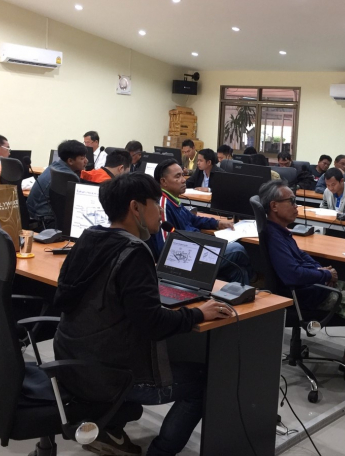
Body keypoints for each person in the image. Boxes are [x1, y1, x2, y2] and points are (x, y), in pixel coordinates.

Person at [53, 172, 229, 456]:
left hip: (71, 362)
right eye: (155, 203)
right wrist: (198, 313)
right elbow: (153, 324)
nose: (160, 211)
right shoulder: (134, 251)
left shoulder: (89, 237)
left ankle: (110, 427)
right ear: (135, 208)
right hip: (108, 376)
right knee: (202, 381)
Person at [260, 180, 345, 388]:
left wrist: (321, 271)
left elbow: (301, 256)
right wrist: (323, 275)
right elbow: (292, 275)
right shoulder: (274, 236)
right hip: (310, 296)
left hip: (313, 286)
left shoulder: (280, 231)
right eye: (291, 201)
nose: (296, 206)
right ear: (274, 206)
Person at [152, 159, 251, 284]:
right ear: (163, 182)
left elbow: (193, 219)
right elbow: (165, 248)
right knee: (237, 249)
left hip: (197, 248)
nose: (183, 180)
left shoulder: (174, 200)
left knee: (239, 272)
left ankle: (243, 293)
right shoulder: (163, 205)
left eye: (183, 175)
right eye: (178, 176)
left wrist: (217, 223)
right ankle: (254, 279)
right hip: (188, 259)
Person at [27, 140, 88, 228]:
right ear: (70, 161)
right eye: (82, 158)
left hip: (34, 216)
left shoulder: (54, 166)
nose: (86, 161)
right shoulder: (67, 176)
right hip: (45, 221)